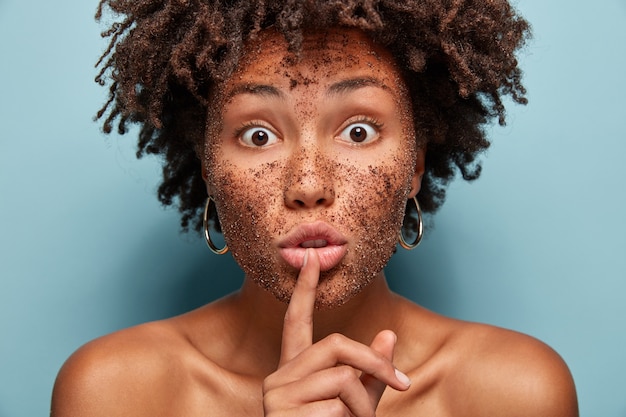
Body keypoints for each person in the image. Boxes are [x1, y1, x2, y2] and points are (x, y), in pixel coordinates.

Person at [51, 1, 578, 416]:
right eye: (258, 135)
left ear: (415, 164)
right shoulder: (113, 393)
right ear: (209, 167)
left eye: (358, 130)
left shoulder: (517, 393)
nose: (307, 185)